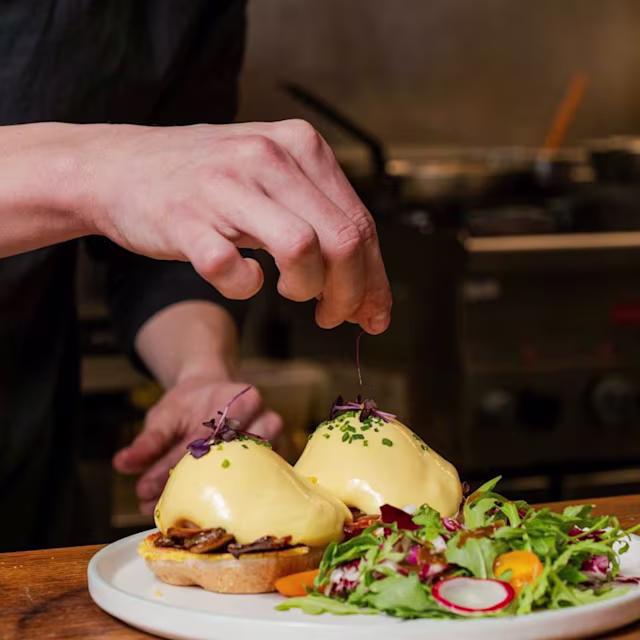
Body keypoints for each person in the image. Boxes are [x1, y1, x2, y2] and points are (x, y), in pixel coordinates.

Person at [0, 1, 391, 551]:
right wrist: (94, 169)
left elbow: (162, 238)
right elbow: (129, 180)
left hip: (29, 476)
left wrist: (199, 369)